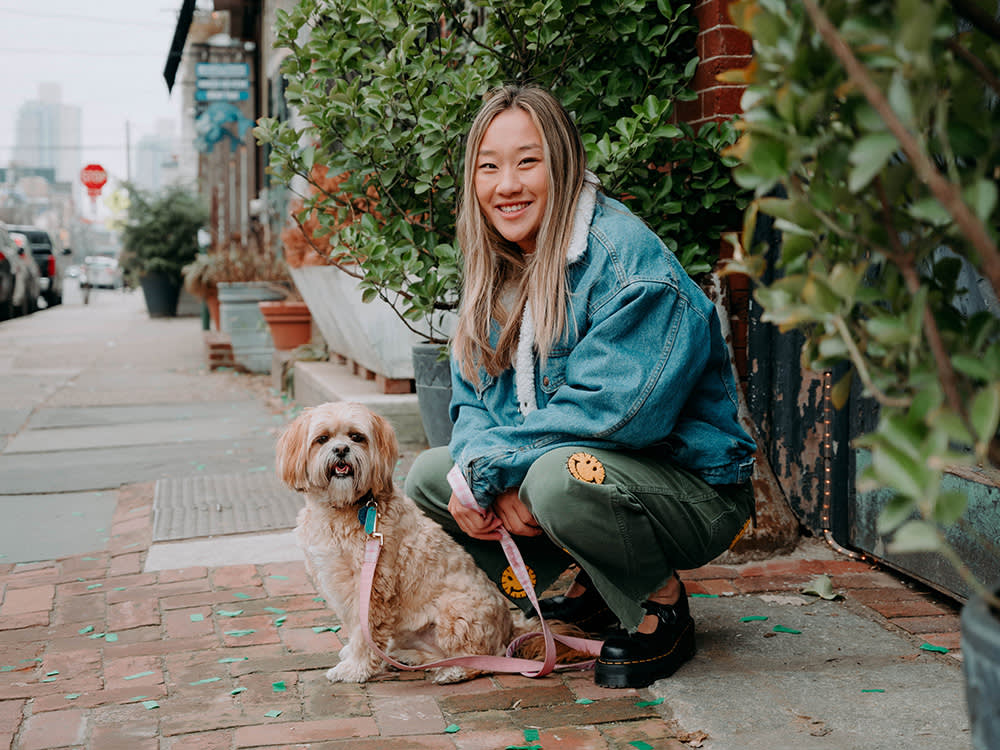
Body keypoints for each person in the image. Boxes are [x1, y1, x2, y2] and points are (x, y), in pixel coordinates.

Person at [405, 85, 757, 689]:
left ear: (562, 163)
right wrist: (477, 470)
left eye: (527, 161)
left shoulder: (626, 264)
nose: (506, 185)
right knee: (431, 479)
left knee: (554, 481)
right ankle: (588, 589)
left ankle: (660, 604)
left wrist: (500, 470)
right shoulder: (498, 268)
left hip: (692, 493)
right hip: (574, 470)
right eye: (489, 167)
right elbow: (471, 406)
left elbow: (616, 416)